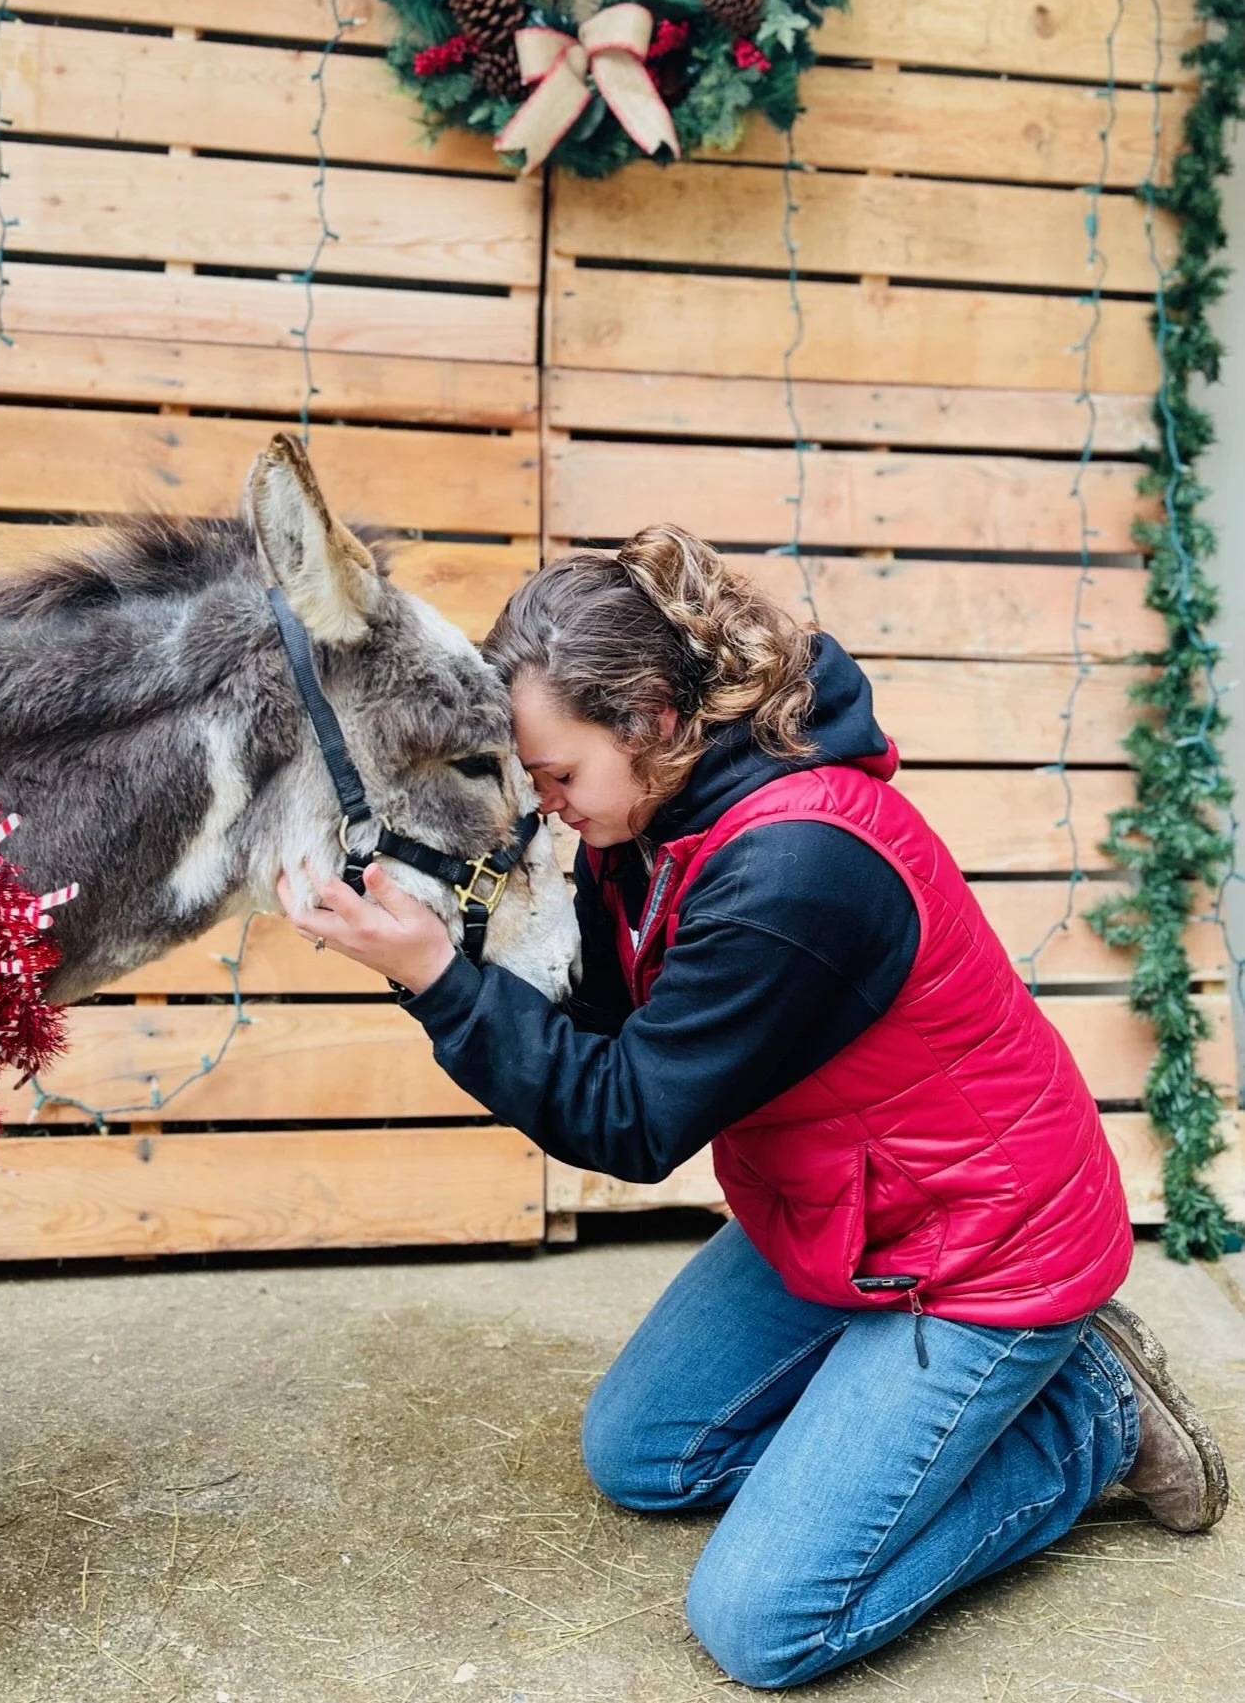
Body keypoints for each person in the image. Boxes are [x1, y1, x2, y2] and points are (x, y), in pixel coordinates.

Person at [279, 526, 1230, 1690]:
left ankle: (1088, 1418)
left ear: (656, 719)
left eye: (560, 775)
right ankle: (906, 1422)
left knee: (763, 1622)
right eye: (533, 779)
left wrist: (436, 979)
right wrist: (449, 938)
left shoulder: (795, 869)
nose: (545, 807)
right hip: (840, 1211)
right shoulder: (650, 825)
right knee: (642, 1457)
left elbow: (631, 1117)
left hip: (981, 1244)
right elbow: (607, 1031)